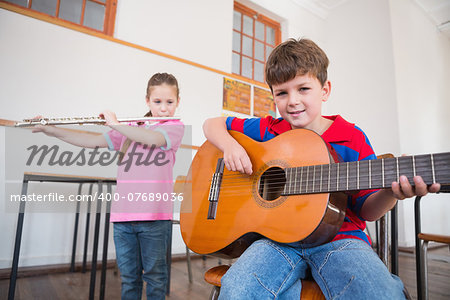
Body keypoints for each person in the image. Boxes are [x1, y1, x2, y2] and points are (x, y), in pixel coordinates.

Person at [203, 38, 441, 299]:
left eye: (303, 88)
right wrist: (230, 147)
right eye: (282, 93)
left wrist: (390, 194)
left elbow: (367, 210)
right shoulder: (270, 129)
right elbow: (212, 124)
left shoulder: (351, 137)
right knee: (238, 289)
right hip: (274, 241)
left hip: (340, 240)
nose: (292, 101)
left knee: (380, 293)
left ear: (325, 90)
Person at [33, 72, 184, 300]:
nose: (164, 108)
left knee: (156, 279)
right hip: (123, 221)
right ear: (147, 101)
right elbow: (92, 142)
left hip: (154, 219)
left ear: (178, 102)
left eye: (169, 102)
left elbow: (152, 140)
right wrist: (51, 130)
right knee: (129, 279)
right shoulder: (130, 127)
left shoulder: (175, 126)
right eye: (157, 102)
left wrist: (115, 124)